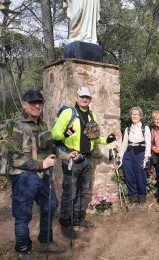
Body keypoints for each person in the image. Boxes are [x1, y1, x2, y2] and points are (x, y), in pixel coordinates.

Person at [8, 90, 76, 256]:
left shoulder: (42, 124)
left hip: (42, 176)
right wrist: (41, 163)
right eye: (32, 102)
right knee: (23, 214)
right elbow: (14, 158)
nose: (37, 105)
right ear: (24, 104)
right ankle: (23, 252)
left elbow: (50, 147)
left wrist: (66, 155)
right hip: (24, 177)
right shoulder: (16, 126)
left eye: (39, 102)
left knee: (51, 206)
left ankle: (45, 241)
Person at [51, 86, 116, 239]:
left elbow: (95, 137)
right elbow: (55, 133)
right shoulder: (69, 113)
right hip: (72, 159)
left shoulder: (92, 116)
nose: (84, 99)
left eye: (87, 97)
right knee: (70, 193)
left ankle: (79, 219)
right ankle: (66, 223)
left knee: (83, 191)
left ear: (90, 99)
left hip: (87, 158)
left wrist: (107, 140)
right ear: (77, 97)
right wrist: (67, 132)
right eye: (82, 96)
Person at [119, 107, 151, 212]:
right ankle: (133, 199)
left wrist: (146, 158)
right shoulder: (128, 129)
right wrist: (120, 157)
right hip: (129, 154)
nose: (135, 116)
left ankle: (142, 200)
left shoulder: (145, 128)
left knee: (141, 176)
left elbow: (148, 143)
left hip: (140, 153)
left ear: (140, 116)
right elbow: (124, 144)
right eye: (133, 114)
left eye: (137, 114)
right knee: (129, 176)